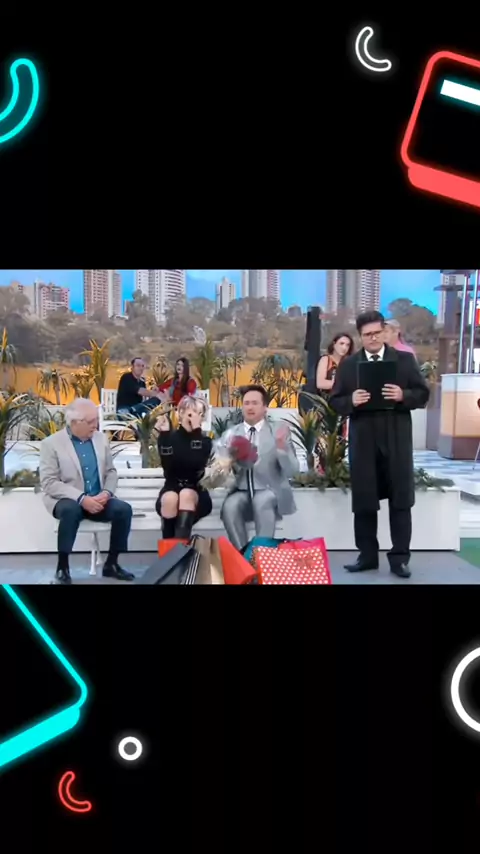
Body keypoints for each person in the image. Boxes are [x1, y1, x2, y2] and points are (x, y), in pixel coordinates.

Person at [329, 310, 430, 579]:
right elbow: (335, 401)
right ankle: (367, 556)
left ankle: (400, 559)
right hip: (363, 439)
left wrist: (403, 395)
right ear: (360, 336)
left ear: (385, 331)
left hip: (396, 437)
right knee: (364, 500)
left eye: (377, 333)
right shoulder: (349, 365)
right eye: (367, 335)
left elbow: (423, 394)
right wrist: (351, 401)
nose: (373, 338)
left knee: (401, 500)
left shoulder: (404, 361)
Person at [39, 398, 135, 584]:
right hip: (68, 499)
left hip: (98, 499)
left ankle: (112, 564)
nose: (95, 425)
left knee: (124, 510)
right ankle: (63, 567)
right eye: (91, 421)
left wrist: (106, 493)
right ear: (75, 422)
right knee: (71, 510)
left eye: (96, 420)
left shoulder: (101, 439)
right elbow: (49, 482)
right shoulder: (51, 444)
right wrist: (82, 499)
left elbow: (111, 472)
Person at [217, 385, 299, 551]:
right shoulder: (232, 434)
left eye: (255, 403)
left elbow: (293, 471)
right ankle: (243, 556)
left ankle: (262, 554)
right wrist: (228, 463)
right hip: (241, 490)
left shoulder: (278, 431)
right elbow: (221, 473)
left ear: (265, 407)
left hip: (271, 489)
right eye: (246, 403)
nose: (250, 407)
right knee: (230, 506)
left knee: (261, 501)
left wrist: (281, 448)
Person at [155, 395, 212, 540]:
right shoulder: (169, 437)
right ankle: (170, 552)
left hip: (196, 492)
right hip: (171, 488)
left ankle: (180, 551)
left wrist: (196, 431)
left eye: (200, 414)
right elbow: (168, 467)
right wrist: (164, 435)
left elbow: (197, 463)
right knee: (170, 498)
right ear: (180, 413)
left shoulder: (204, 440)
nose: (195, 418)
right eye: (191, 413)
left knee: (186, 494)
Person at [315, 333, 354, 400]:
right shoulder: (326, 359)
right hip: (326, 399)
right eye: (341, 344)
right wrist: (342, 385)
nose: (344, 348)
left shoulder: (349, 362)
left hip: (344, 399)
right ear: (334, 344)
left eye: (347, 345)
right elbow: (320, 383)